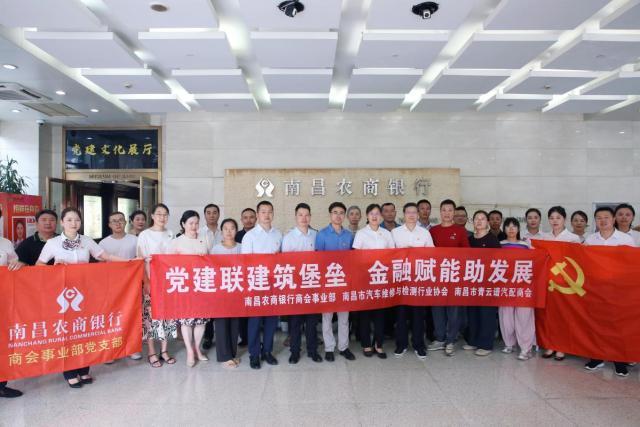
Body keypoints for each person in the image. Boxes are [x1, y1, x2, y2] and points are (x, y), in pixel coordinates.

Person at [36, 207, 126, 388]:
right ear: (62, 222)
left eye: (77, 220)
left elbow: (105, 256)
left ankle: (84, 369)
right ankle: (69, 372)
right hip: (62, 295)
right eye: (69, 220)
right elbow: (39, 265)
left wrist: (130, 262)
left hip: (85, 293)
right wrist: (55, 267)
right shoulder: (53, 243)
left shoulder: (86, 241)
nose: (73, 223)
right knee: (67, 333)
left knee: (84, 331)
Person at [584, 207, 636, 377]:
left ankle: (619, 360)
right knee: (596, 324)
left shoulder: (626, 239)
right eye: (599, 218)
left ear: (613, 219)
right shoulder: (590, 239)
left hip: (618, 289)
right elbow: (584, 263)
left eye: (606, 217)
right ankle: (597, 357)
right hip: (596, 288)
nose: (603, 220)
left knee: (618, 325)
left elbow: (632, 265)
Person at [241, 201, 282, 369]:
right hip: (256, 284)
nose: (267, 215)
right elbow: (245, 263)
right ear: (257, 215)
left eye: (269, 211)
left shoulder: (278, 234)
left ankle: (267, 351)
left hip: (274, 284)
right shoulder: (250, 236)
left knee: (272, 321)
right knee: (255, 322)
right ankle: (254, 354)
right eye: (263, 212)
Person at [167, 210, 211, 367]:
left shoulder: (204, 239)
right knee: (186, 321)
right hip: (184, 286)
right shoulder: (176, 242)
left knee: (201, 320)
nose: (194, 226)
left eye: (196, 223)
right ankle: (189, 352)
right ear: (183, 224)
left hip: (202, 285)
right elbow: (168, 264)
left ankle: (197, 348)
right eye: (191, 223)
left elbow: (211, 260)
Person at [137, 203, 178, 369]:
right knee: (151, 317)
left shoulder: (171, 234)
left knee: (167, 315)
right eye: (159, 214)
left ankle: (164, 350)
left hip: (168, 281)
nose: (162, 217)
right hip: (151, 280)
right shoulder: (145, 235)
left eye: (165, 214)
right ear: (152, 216)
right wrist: (146, 281)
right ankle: (151, 351)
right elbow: (140, 260)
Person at [391, 202, 434, 360]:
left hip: (418, 280)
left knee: (418, 315)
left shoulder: (425, 233)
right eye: (408, 212)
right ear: (403, 214)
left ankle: (418, 345)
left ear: (418, 215)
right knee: (401, 315)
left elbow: (432, 255)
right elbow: (388, 254)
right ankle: (401, 344)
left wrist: (416, 253)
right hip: (400, 281)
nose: (411, 215)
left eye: (414, 212)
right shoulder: (395, 232)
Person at [427, 199, 470, 356]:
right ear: (440, 212)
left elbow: (467, 253)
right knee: (437, 308)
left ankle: (451, 340)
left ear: (454, 212)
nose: (447, 213)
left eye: (450, 210)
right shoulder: (433, 231)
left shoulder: (460, 231)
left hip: (454, 277)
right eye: (444, 210)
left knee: (453, 310)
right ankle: (440, 338)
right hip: (436, 277)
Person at [353, 203, 395, 358]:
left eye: (377, 213)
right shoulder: (361, 233)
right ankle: (366, 344)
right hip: (365, 279)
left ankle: (379, 344)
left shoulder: (387, 234)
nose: (374, 216)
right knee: (365, 314)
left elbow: (393, 254)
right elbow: (356, 256)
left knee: (380, 314)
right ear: (367, 216)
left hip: (382, 279)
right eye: (371, 213)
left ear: (381, 216)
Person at [316, 202, 356, 362]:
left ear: (344, 215)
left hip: (344, 282)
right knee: (327, 317)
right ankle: (329, 348)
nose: (338, 215)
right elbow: (318, 259)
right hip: (327, 282)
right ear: (330, 214)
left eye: (341, 213)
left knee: (344, 317)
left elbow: (353, 259)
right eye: (335, 212)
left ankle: (343, 347)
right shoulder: (322, 235)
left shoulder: (348, 235)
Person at [282, 203, 322, 364]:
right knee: (295, 322)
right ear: (295, 217)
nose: (304, 218)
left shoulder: (316, 235)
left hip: (312, 285)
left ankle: (313, 351)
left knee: (312, 322)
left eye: (307, 215)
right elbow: (285, 264)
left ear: (310, 217)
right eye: (300, 215)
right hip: (295, 286)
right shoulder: (289, 237)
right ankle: (294, 352)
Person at [99, 211, 141, 361]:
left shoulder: (135, 240)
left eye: (120, 220)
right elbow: (100, 267)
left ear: (125, 222)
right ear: (109, 225)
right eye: (114, 221)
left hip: (131, 284)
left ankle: (132, 348)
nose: (118, 223)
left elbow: (139, 259)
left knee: (131, 315)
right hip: (111, 286)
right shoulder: (103, 243)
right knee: (112, 317)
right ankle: (111, 350)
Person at [541, 205, 581, 360]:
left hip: (565, 283)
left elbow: (577, 262)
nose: (555, 221)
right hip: (548, 282)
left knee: (563, 316)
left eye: (558, 217)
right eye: (551, 218)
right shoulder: (544, 237)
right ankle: (550, 345)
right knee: (549, 315)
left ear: (564, 219)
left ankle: (561, 347)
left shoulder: (573, 238)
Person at [464, 210, 501, 356]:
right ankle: (473, 341)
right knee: (472, 313)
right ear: (472, 222)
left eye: (482, 219)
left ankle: (486, 344)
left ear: (487, 222)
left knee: (486, 314)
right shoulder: (469, 240)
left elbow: (499, 263)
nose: (479, 221)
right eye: (476, 219)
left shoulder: (492, 240)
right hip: (472, 282)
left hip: (488, 283)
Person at [499, 218, 536, 361]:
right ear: (504, 229)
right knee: (506, 316)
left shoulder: (526, 245)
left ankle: (526, 348)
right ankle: (509, 344)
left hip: (523, 285)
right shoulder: (499, 245)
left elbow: (536, 261)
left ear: (518, 229)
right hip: (505, 286)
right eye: (508, 226)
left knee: (524, 316)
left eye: (514, 226)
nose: (511, 229)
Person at [212, 218, 242, 369]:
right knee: (222, 323)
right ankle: (224, 356)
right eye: (226, 228)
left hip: (237, 290)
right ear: (221, 231)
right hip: (221, 291)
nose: (229, 231)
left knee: (234, 323)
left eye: (232, 228)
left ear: (236, 230)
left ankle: (232, 353)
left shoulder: (241, 247)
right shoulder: (216, 249)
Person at [0, 232, 25, 398]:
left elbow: (14, 262)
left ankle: (1, 385)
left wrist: (18, 264)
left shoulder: (5, 243)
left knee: (2, 342)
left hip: (3, 298)